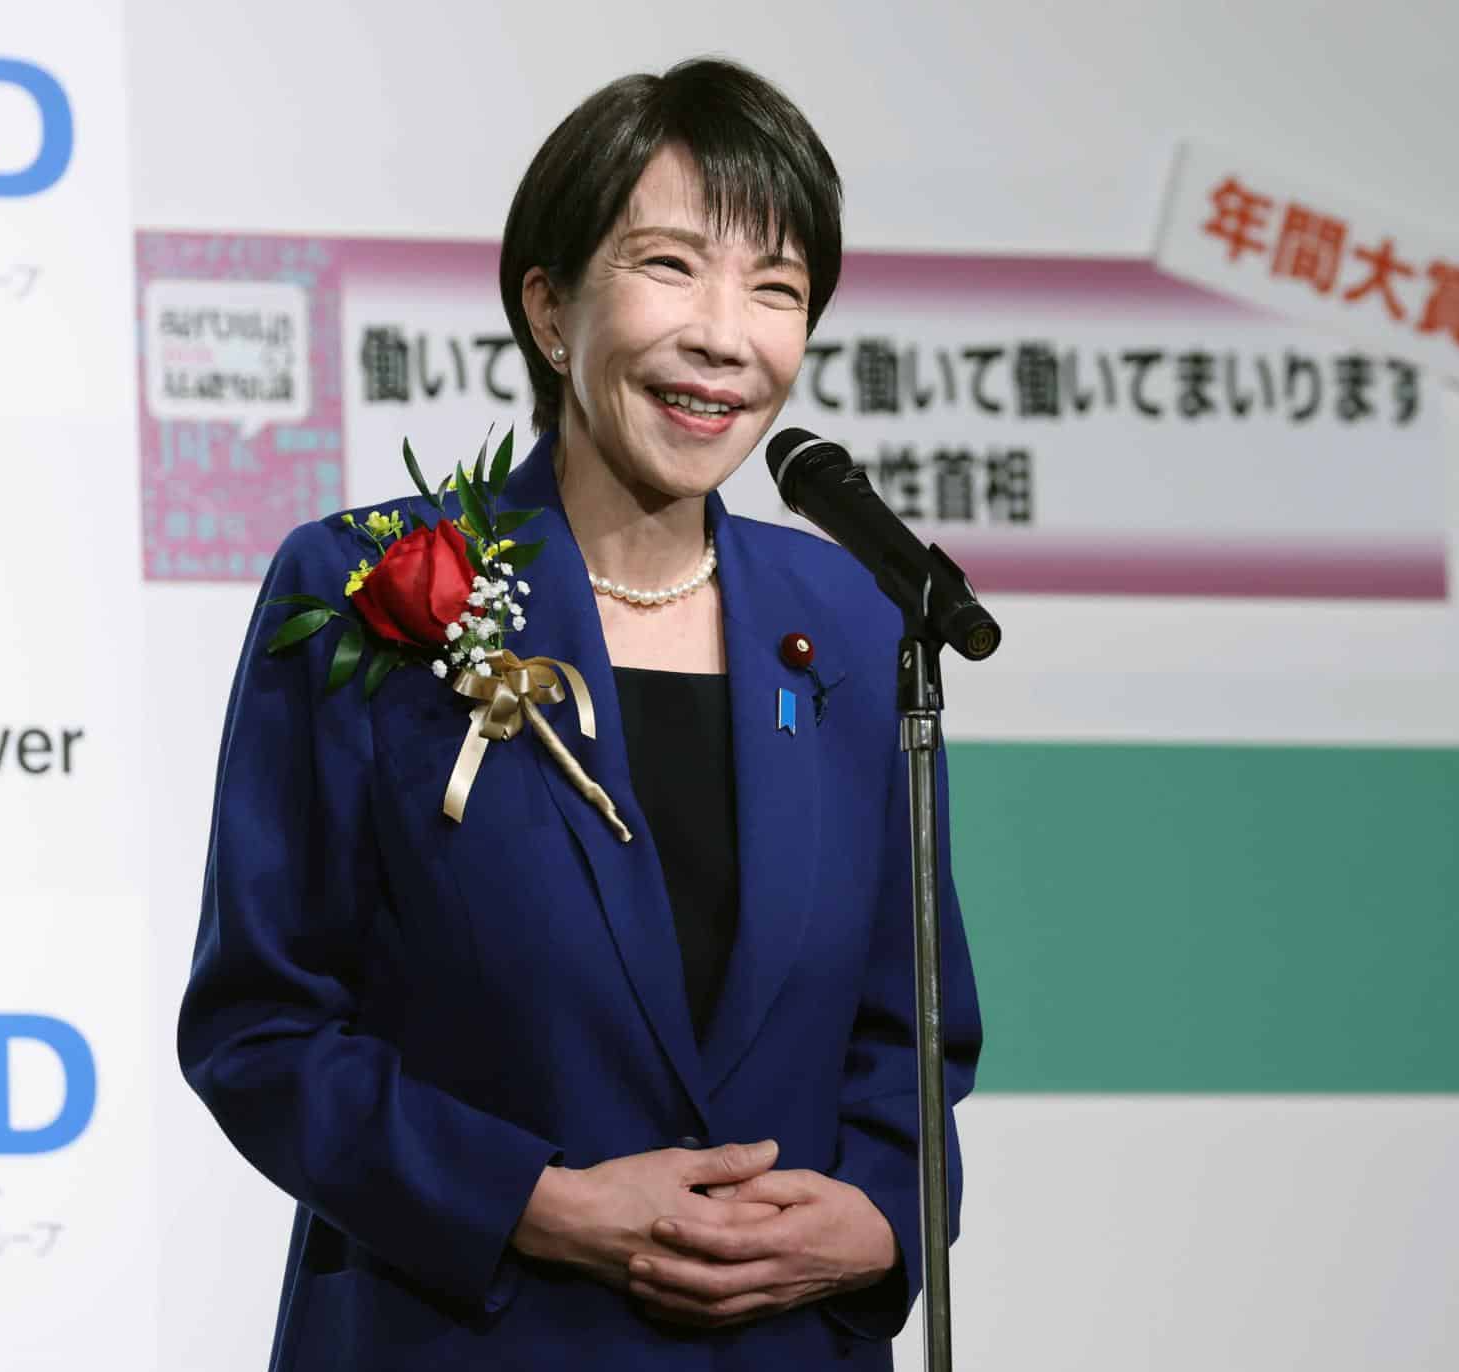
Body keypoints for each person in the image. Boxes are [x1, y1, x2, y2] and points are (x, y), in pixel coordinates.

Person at [178, 57, 983, 1371]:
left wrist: (883, 1217)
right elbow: (260, 1029)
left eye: (776, 291)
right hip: (465, 1335)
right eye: (672, 267)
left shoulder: (847, 619)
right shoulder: (370, 586)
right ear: (550, 309)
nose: (727, 335)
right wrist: (537, 1206)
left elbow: (916, 1025)